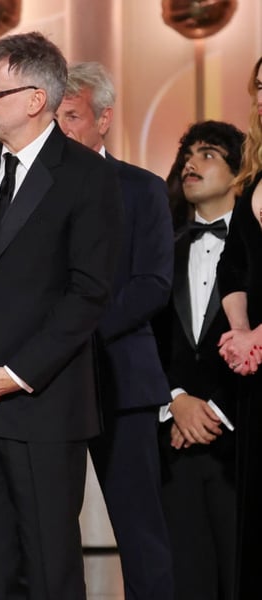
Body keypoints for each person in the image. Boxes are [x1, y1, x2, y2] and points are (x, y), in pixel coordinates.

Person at [0, 32, 122, 599]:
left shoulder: (87, 174)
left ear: (36, 99)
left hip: (44, 406)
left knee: (49, 568)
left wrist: (15, 374)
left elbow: (88, 294)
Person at [56, 61, 175, 600]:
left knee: (140, 528)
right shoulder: (28, 190)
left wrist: (73, 333)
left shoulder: (144, 189)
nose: (61, 129)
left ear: (103, 119)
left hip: (122, 378)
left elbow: (153, 284)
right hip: (45, 384)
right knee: (47, 530)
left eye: (73, 116)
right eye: (55, 117)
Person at [155, 120, 244, 600]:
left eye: (207, 154)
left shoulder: (256, 248)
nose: (191, 163)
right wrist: (176, 401)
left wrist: (215, 409)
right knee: (187, 579)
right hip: (174, 441)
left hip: (240, 439)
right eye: (187, 154)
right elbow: (146, 339)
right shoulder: (160, 247)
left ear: (239, 171)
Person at [214, 55, 262, 599]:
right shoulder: (254, 175)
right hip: (256, 370)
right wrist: (241, 331)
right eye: (260, 86)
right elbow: (234, 266)